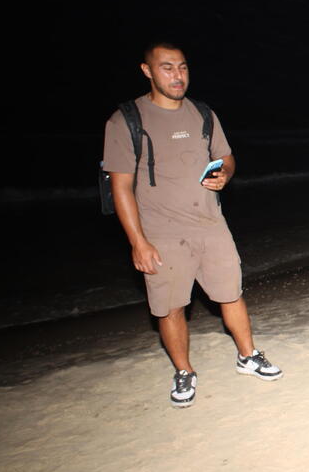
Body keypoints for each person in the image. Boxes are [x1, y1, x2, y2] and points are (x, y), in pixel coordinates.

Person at [103, 42, 282, 409]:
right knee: (171, 306)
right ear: (147, 70)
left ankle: (247, 355)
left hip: (211, 224)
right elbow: (120, 186)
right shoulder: (126, 120)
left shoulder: (203, 113)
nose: (177, 75)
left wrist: (224, 175)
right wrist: (138, 242)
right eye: (167, 68)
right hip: (161, 232)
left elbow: (226, 157)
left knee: (231, 292)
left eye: (182, 67)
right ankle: (184, 370)